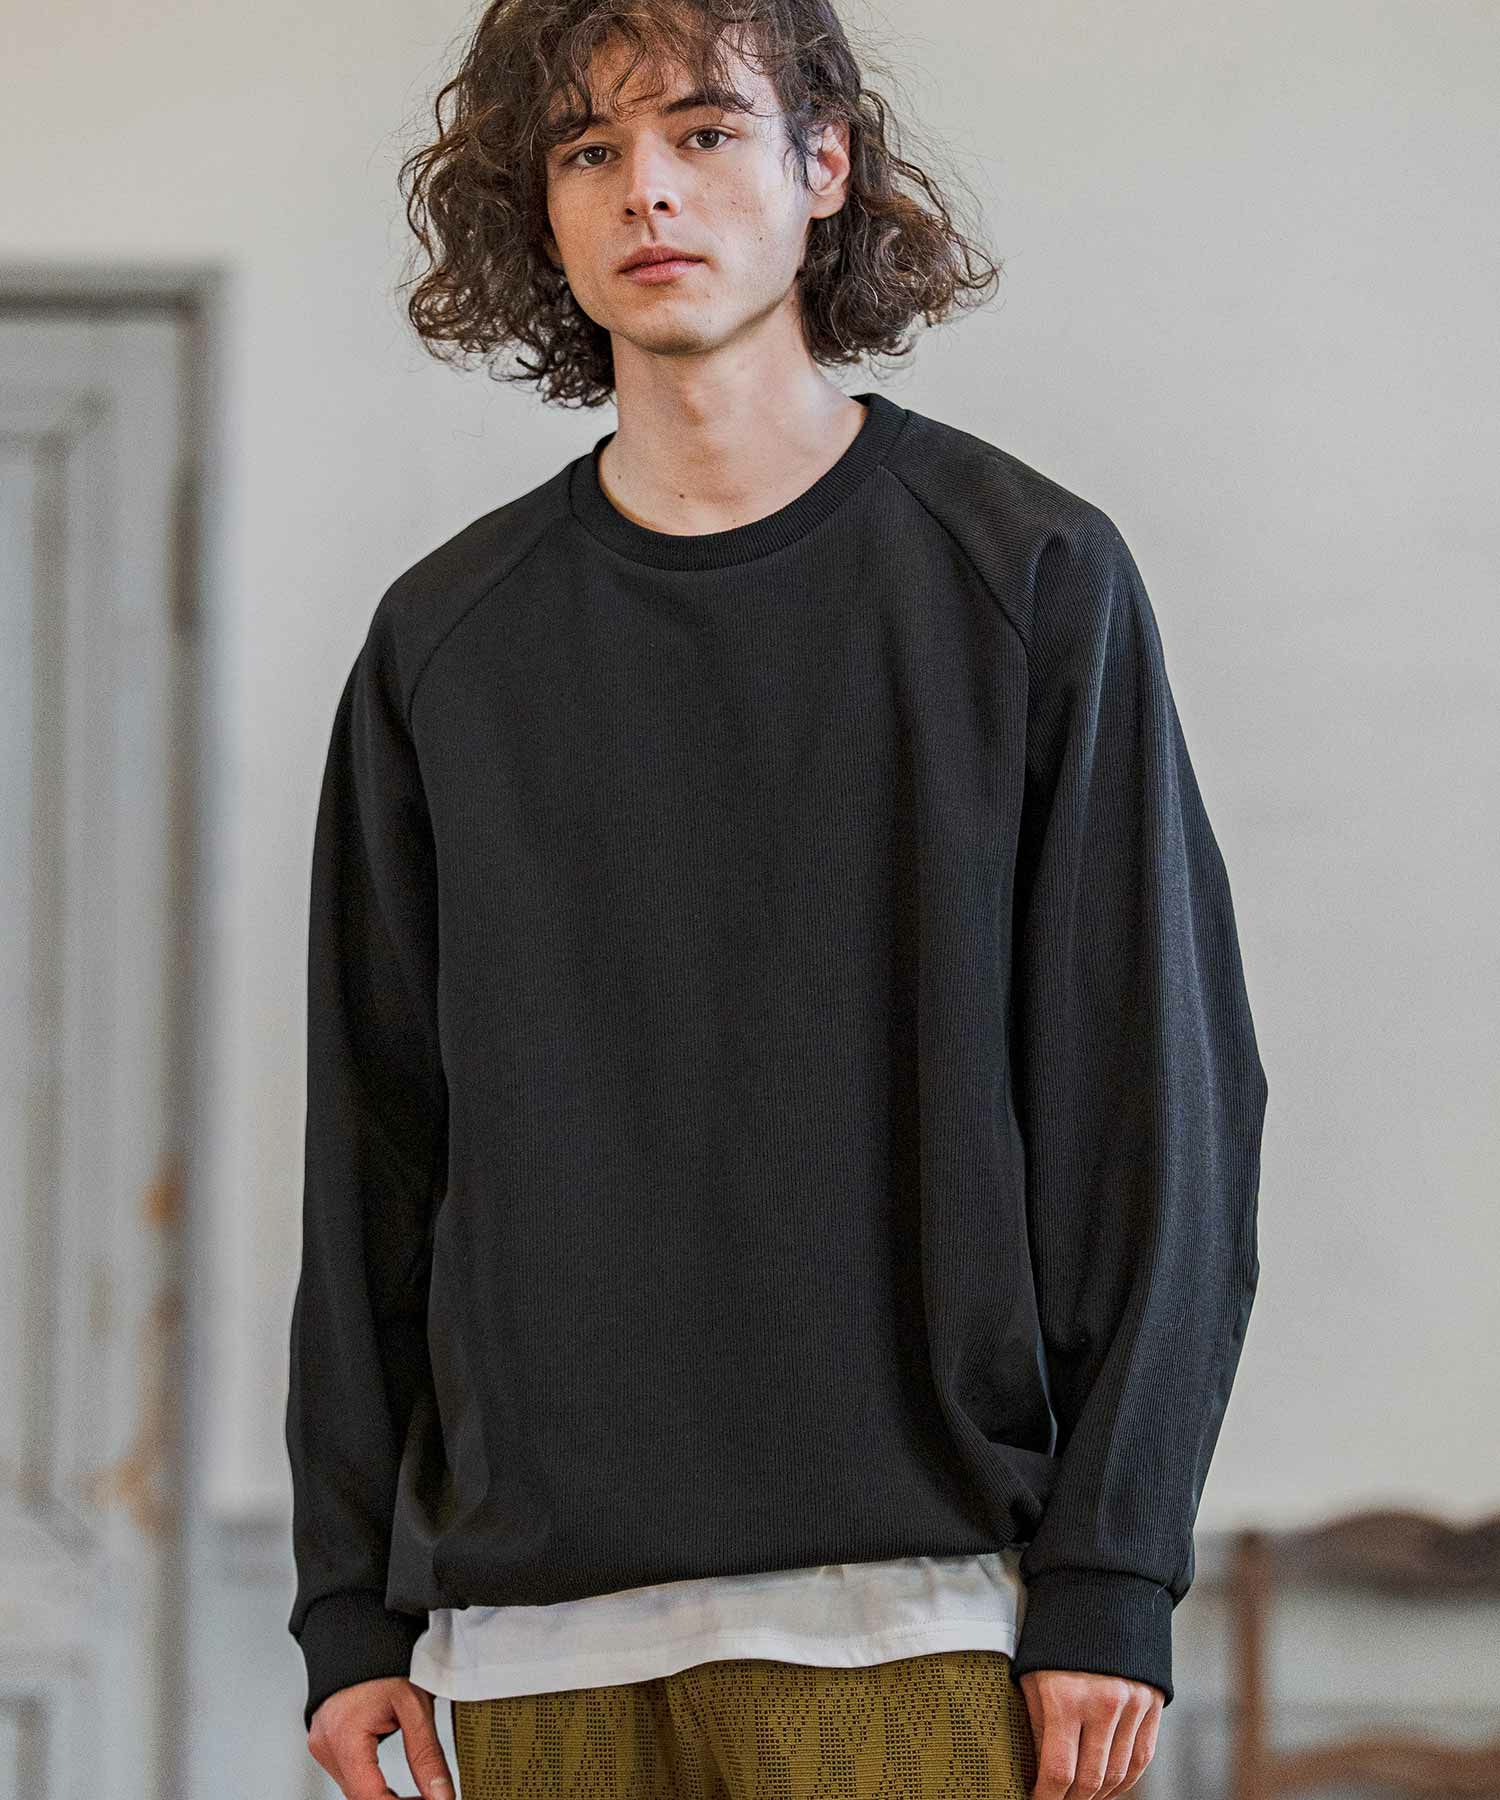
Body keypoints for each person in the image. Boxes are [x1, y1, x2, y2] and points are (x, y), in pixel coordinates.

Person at [284, 0, 1270, 1795]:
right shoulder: (446, 643)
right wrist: (347, 1605)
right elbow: (376, 1148)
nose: (647, 191)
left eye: (703, 132)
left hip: (918, 1618)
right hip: (533, 1638)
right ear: (540, 209)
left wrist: (1112, 1572)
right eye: (589, 150)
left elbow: (1162, 1114)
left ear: (824, 164)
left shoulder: (1028, 578)